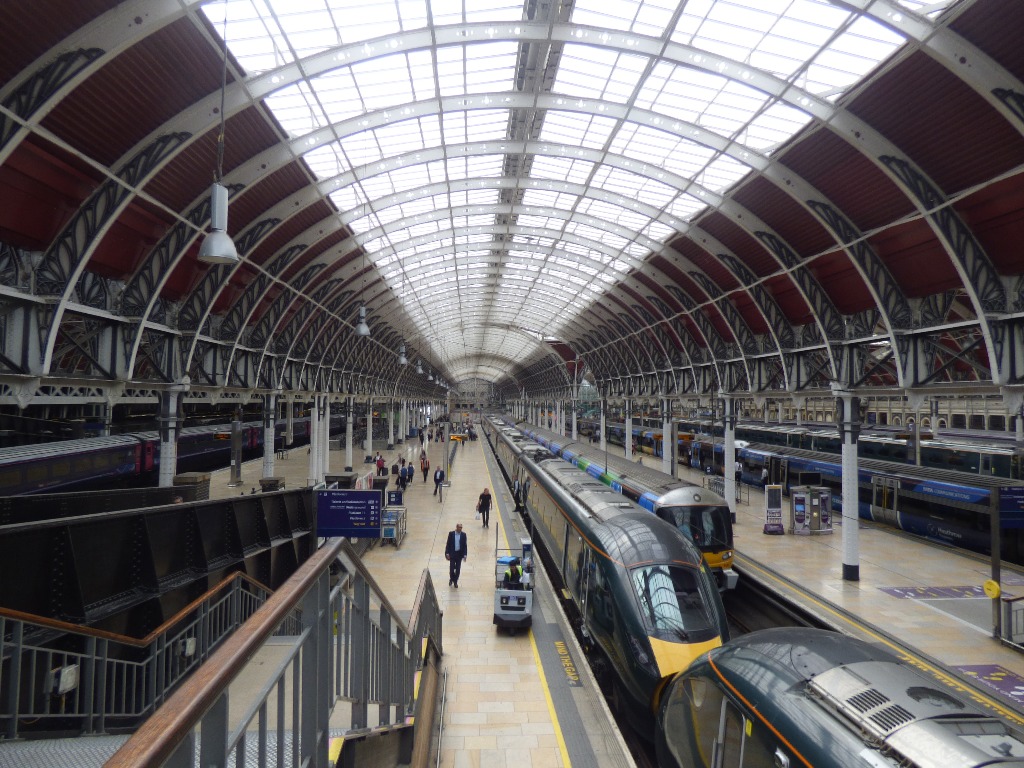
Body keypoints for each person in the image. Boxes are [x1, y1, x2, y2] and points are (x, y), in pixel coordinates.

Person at [444, 523, 467, 588]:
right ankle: (452, 578)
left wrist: (465, 555)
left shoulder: (463, 535)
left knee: (458, 569)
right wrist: (447, 553)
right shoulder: (451, 534)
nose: (460, 529)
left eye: (461, 528)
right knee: (451, 569)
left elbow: (465, 546)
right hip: (452, 554)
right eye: (459, 527)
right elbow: (448, 544)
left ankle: (455, 581)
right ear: (456, 527)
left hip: (459, 554)